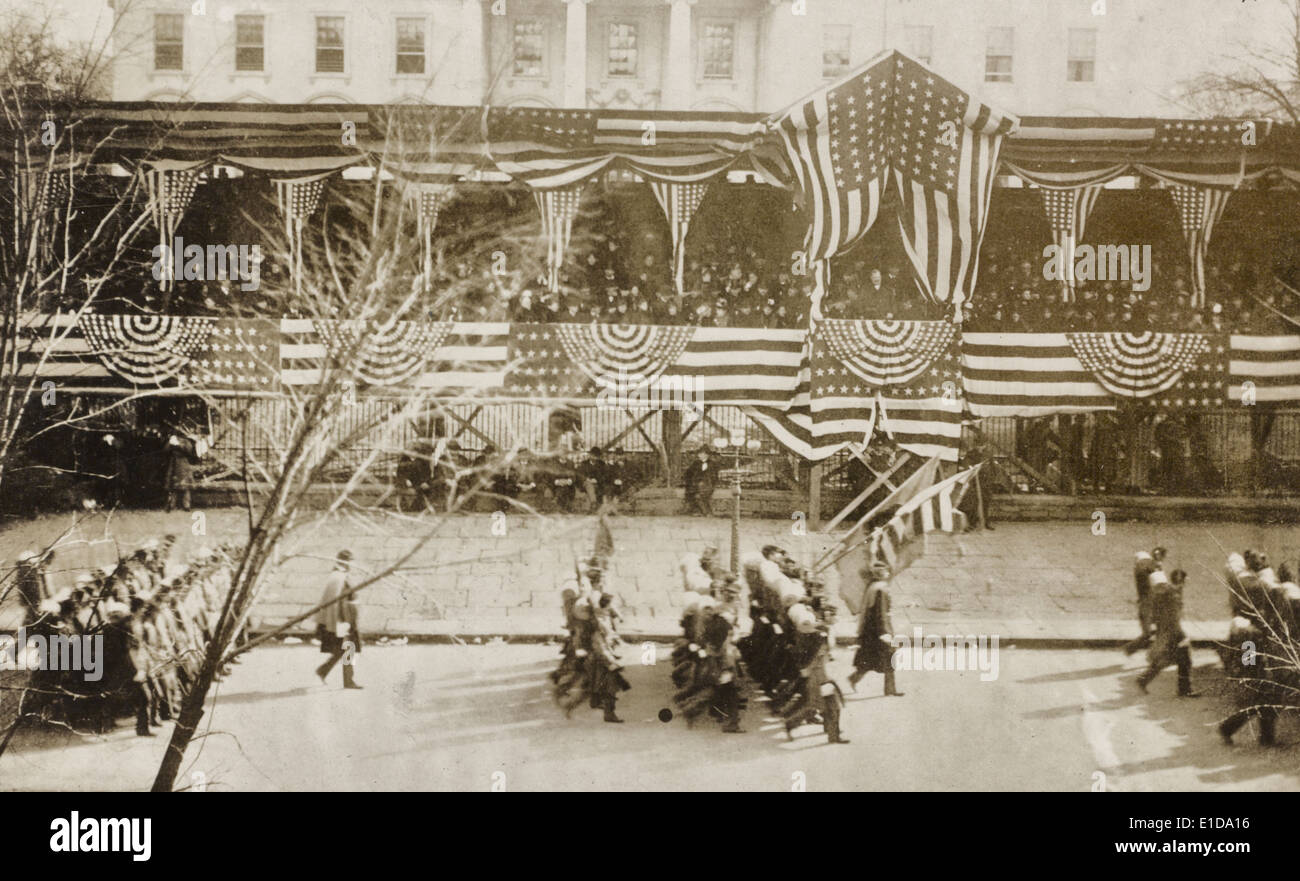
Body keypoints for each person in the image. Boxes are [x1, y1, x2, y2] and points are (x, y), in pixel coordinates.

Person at [1136, 569, 1200, 697]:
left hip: (1168, 633)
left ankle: (1144, 680)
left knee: (1170, 660)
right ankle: (1184, 689)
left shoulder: (1159, 596)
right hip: (1173, 633)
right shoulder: (1169, 595)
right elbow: (1172, 617)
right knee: (1182, 659)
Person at [848, 562, 904, 696]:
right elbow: (881, 612)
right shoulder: (881, 589)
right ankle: (889, 689)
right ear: (882, 574)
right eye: (886, 571)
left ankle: (854, 678)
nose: (888, 573)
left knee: (870, 659)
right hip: (880, 630)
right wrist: (886, 632)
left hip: (870, 630)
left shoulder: (872, 586)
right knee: (888, 656)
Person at [314, 550, 363, 689]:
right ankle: (348, 680)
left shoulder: (338, 576)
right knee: (349, 648)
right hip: (343, 619)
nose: (352, 565)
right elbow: (341, 601)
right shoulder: (340, 577)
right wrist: (347, 622)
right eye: (350, 562)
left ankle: (323, 671)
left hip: (343, 617)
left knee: (343, 649)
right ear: (345, 562)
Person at [1123, 547, 1165, 655]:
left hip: (1151, 603)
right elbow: (1157, 581)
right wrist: (1157, 564)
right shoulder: (1144, 569)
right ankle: (1129, 650)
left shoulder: (1144, 568)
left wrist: (1157, 564)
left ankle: (1153, 653)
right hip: (1147, 604)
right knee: (1148, 633)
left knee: (1158, 630)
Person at [683, 449, 716, 516]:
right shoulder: (696, 463)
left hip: (707, 484)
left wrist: (712, 484)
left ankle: (707, 512)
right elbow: (688, 473)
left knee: (703, 496)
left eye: (701, 454)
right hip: (696, 484)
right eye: (699, 454)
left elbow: (714, 476)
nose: (699, 455)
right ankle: (703, 512)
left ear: (706, 455)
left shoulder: (712, 463)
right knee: (696, 496)